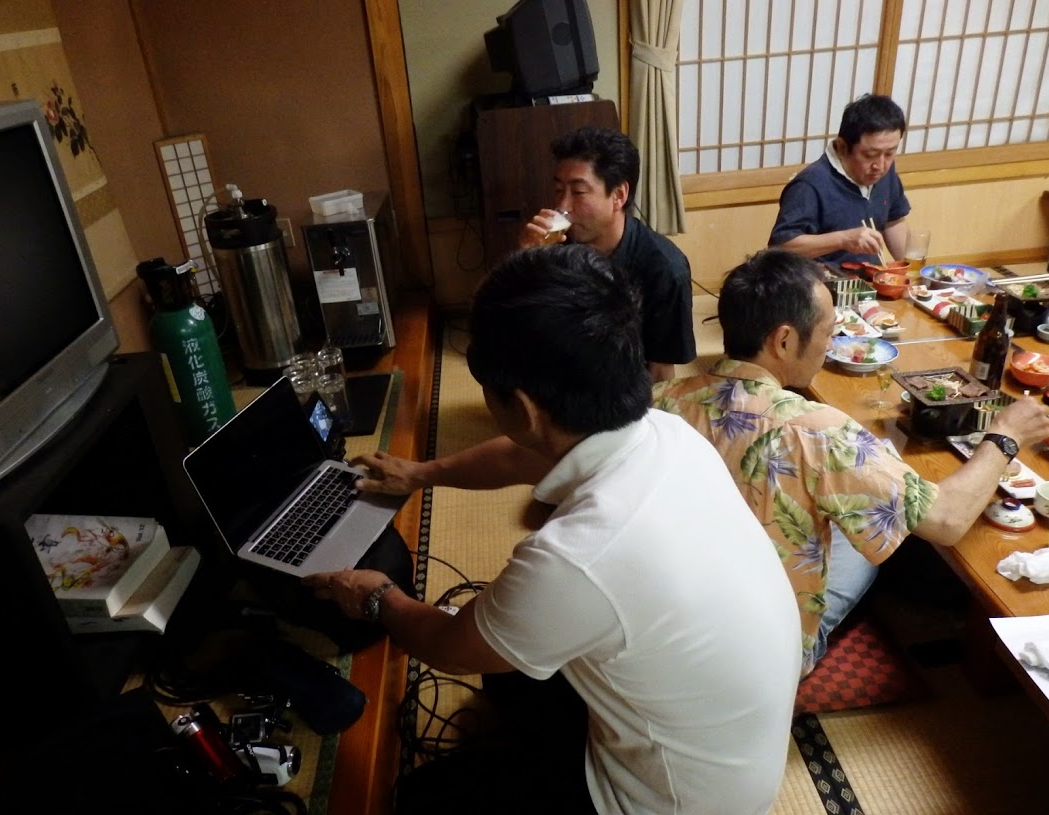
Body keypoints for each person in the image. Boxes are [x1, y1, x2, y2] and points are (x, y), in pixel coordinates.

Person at [305, 244, 801, 814]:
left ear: (521, 407)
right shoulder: (667, 434)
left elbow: (448, 649)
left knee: (419, 798)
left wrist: (377, 596)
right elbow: (523, 455)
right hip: (726, 750)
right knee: (509, 673)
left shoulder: (576, 557)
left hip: (670, 802)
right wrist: (420, 474)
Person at [652, 248, 1049, 675]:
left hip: (672, 627)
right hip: (766, 656)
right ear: (784, 341)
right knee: (874, 520)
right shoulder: (818, 430)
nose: (830, 344)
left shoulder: (660, 402)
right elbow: (947, 520)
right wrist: (1005, 436)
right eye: (828, 331)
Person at [519, 126, 695, 382]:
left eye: (578, 192)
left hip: (622, 385)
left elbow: (660, 370)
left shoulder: (665, 268)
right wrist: (524, 263)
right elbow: (524, 327)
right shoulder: (553, 247)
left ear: (618, 195)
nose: (562, 206)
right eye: (558, 190)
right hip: (563, 375)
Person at [768, 94, 911, 267]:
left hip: (872, 277)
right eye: (870, 155)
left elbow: (893, 221)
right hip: (823, 281)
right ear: (842, 147)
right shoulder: (810, 184)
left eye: (890, 153)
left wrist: (911, 267)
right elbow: (780, 248)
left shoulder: (884, 171)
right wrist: (844, 239)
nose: (880, 165)